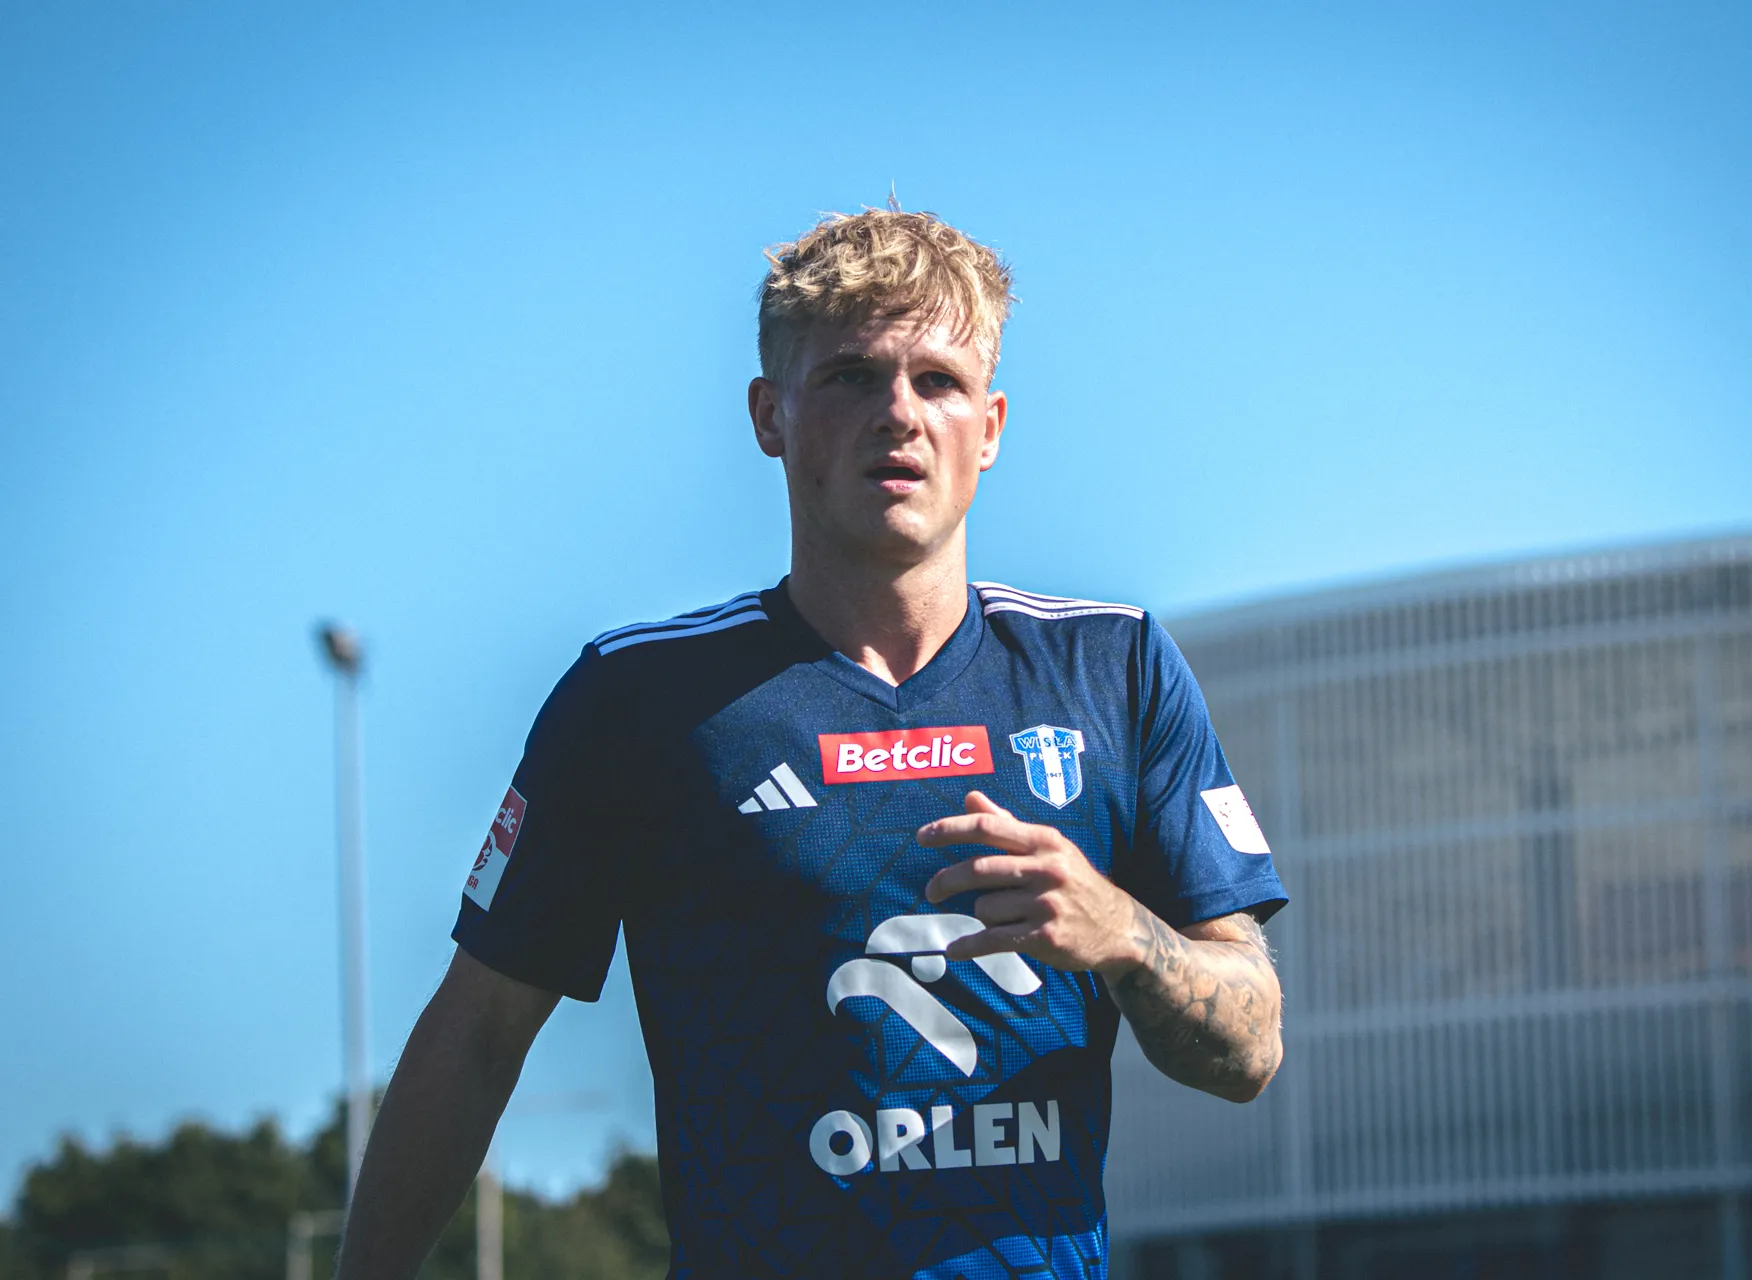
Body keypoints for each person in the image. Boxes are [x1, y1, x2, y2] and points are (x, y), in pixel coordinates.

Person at [336, 208, 1287, 1279]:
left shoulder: (1115, 667)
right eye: (850, 375)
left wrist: (1122, 933)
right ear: (769, 415)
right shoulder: (637, 697)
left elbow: (1251, 1047)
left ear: (991, 427)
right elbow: (475, 1036)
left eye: (939, 380)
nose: (900, 414)